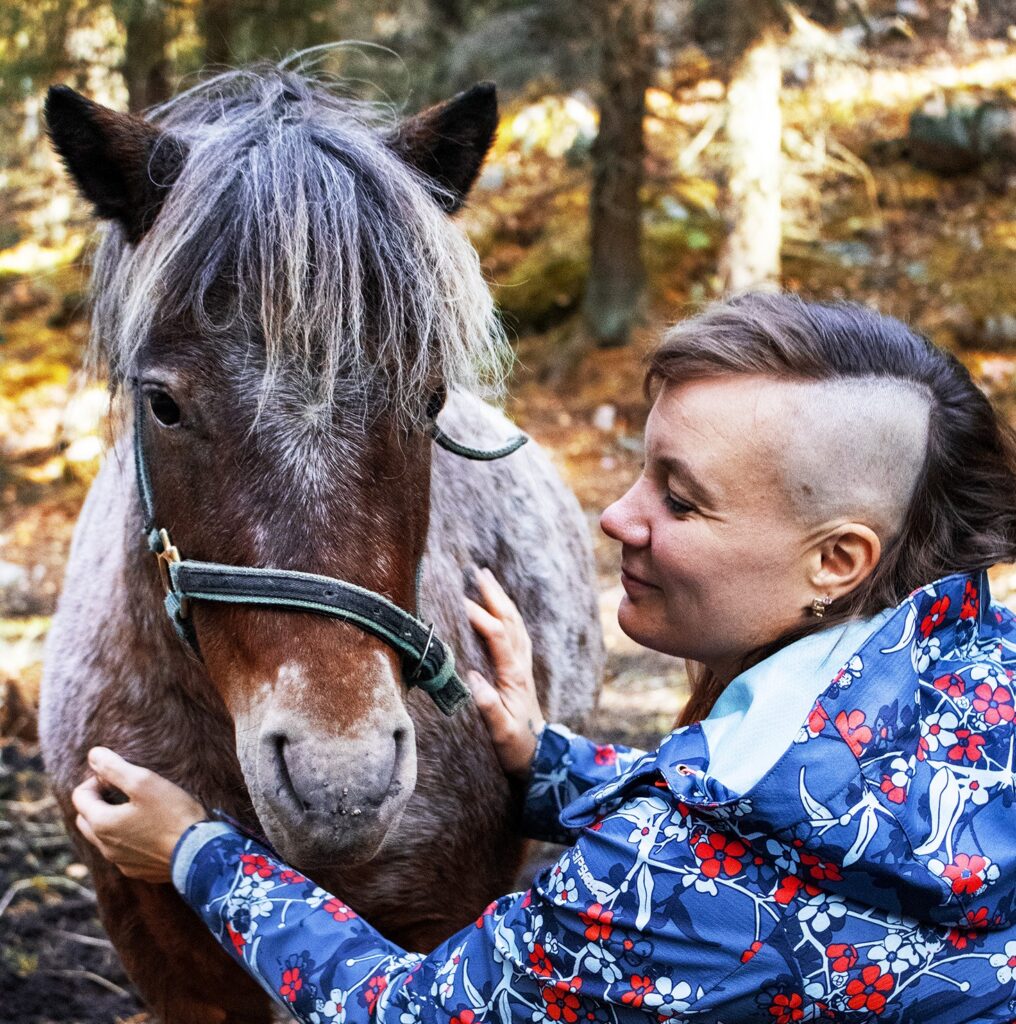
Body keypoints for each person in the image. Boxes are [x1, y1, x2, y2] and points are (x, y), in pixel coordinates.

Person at [73, 293, 1016, 1023]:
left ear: (837, 559)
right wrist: (550, 763)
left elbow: (413, 1008)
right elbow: (791, 824)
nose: (611, 518)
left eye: (680, 502)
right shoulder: (983, 670)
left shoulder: (656, 888)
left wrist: (197, 852)